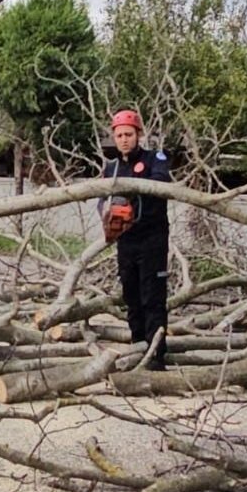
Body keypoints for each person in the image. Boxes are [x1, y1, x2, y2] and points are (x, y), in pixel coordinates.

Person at [100, 109, 172, 370]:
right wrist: (107, 215)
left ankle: (156, 355)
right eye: (119, 135)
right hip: (126, 241)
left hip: (152, 240)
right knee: (131, 296)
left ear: (138, 134)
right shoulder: (112, 168)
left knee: (152, 298)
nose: (124, 140)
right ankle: (138, 344)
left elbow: (160, 185)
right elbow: (102, 200)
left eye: (129, 134)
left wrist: (130, 199)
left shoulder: (156, 160)